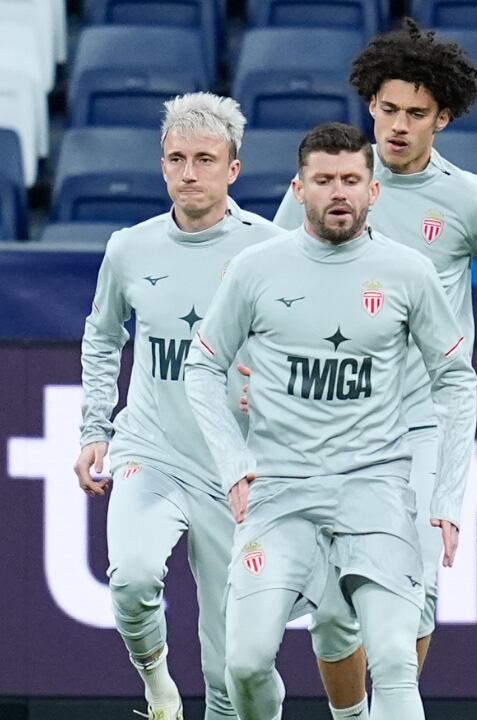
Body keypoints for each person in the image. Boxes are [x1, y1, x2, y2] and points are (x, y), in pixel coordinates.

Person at [271, 21, 477, 717]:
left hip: (423, 419)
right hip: (323, 420)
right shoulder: (326, 184)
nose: (397, 125)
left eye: (416, 113)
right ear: (369, 107)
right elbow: (264, 287)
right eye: (387, 109)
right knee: (331, 611)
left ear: (442, 118)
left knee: (411, 595)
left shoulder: (474, 201)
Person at [184, 123, 477, 720]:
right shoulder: (255, 268)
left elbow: (457, 379)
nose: (337, 192)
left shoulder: (407, 272)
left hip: (375, 491)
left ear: (374, 192)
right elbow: (201, 365)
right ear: (299, 189)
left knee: (395, 658)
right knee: (243, 662)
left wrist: (446, 497)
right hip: (280, 495)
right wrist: (235, 462)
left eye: (350, 179)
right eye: (323, 180)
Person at [75, 92, 283, 720]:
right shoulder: (129, 248)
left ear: (233, 169)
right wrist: (94, 427)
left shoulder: (270, 251)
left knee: (235, 669)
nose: (189, 173)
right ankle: (157, 684)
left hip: (237, 471)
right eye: (176, 159)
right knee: (133, 575)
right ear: (162, 165)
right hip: (152, 448)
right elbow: (103, 334)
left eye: (204, 159)